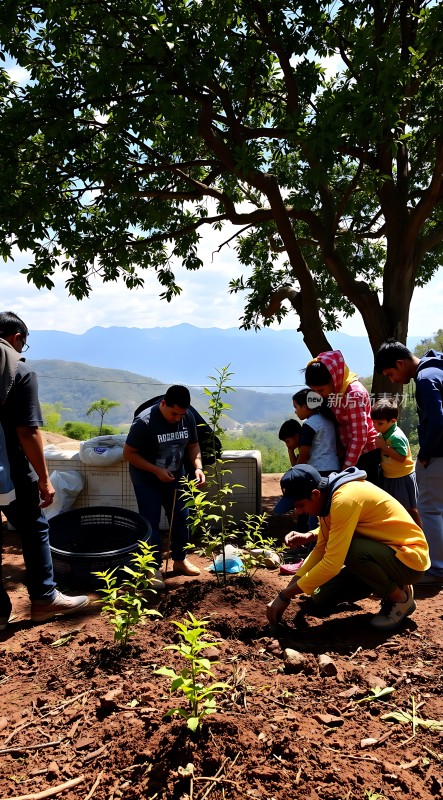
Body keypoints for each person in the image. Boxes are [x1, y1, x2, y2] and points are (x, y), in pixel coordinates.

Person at [0, 311, 89, 630]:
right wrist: (44, 478)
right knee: (34, 526)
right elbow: (27, 431)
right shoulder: (18, 370)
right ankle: (44, 599)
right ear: (17, 338)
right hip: (10, 471)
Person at [266, 464, 429, 630]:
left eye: (300, 505)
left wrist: (285, 595)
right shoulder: (327, 498)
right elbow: (320, 549)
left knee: (350, 550)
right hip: (383, 555)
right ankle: (393, 582)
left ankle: (400, 599)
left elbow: (332, 564)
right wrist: (287, 591)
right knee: (320, 596)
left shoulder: (344, 500)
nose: (299, 511)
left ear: (315, 494)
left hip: (408, 560)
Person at [375, 340, 443, 585]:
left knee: (430, 510)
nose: (392, 380)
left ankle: (437, 570)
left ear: (400, 363)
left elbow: (437, 421)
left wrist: (426, 452)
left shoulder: (425, 379)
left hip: (438, 455)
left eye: (390, 374)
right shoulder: (436, 368)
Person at [124, 385, 205, 589]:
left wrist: (198, 467)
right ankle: (152, 568)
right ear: (163, 404)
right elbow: (129, 454)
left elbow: (193, 445)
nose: (177, 418)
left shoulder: (187, 416)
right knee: (150, 521)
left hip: (176, 476)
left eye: (181, 414)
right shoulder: (144, 422)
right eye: (173, 413)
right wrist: (155, 470)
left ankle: (180, 560)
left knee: (182, 517)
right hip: (147, 479)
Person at [304, 350, 380, 483]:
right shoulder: (335, 393)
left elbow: (359, 437)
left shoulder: (354, 394)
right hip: (348, 454)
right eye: (314, 391)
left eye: (321, 390)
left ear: (333, 380)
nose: (319, 394)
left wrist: (345, 471)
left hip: (365, 455)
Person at [371, 398, 421, 527]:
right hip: (390, 477)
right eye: (373, 422)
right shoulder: (384, 433)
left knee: (409, 510)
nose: (375, 426)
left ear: (393, 421)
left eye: (380, 423)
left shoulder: (396, 436)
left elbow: (401, 457)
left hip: (402, 478)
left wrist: (384, 447)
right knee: (394, 509)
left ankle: (419, 531)